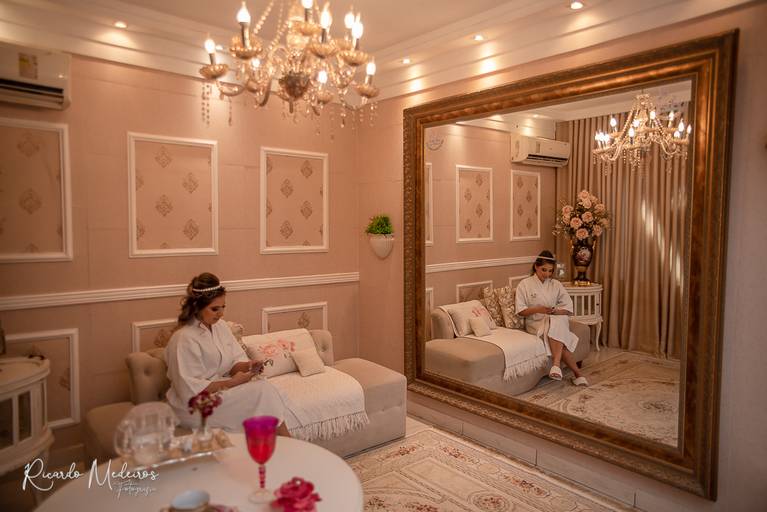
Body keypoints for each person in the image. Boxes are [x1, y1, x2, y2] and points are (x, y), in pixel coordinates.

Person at [165, 272, 290, 434]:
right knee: (262, 391)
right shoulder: (183, 339)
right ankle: (287, 441)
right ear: (197, 307)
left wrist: (248, 366)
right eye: (214, 309)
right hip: (192, 406)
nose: (221, 313)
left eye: (223, 307)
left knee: (263, 388)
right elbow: (189, 391)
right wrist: (233, 383)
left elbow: (233, 364)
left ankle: (277, 442)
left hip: (220, 391)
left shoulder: (221, 327)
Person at [515, 251, 588, 386]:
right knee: (559, 333)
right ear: (536, 266)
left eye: (550, 271)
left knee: (557, 321)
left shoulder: (556, 284)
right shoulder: (524, 284)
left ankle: (556, 365)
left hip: (555, 319)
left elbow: (568, 308)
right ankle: (577, 374)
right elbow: (521, 311)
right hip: (536, 323)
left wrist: (556, 311)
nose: (547, 274)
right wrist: (539, 309)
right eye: (544, 270)